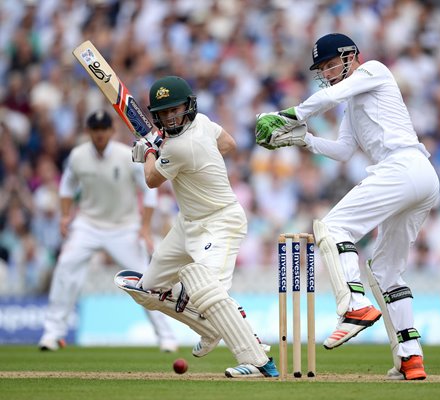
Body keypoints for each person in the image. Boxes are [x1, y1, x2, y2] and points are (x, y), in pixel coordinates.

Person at [255, 33, 440, 380]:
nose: (326, 72)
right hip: (418, 178)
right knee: (385, 271)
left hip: (403, 167)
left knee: (331, 227)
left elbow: (330, 96)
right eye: (321, 69)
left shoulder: (374, 70)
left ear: (350, 56)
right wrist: (303, 139)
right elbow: (342, 150)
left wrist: (287, 116)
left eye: (330, 64)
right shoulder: (354, 104)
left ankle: (354, 305)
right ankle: (410, 357)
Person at [126, 75, 278, 378]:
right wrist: (170, 152)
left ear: (188, 106)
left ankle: (257, 359)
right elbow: (229, 144)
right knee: (149, 288)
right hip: (188, 224)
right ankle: (211, 326)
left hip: (220, 223)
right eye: (165, 112)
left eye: (176, 109)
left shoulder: (181, 147)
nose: (171, 116)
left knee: (209, 291)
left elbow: (152, 180)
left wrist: (150, 152)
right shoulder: (205, 124)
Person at [38, 110, 177, 352]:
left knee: (146, 280)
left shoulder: (127, 155)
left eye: (104, 130)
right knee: (65, 267)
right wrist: (64, 216)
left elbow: (149, 191)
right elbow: (67, 185)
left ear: (112, 131)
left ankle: (166, 337)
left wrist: (144, 228)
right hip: (88, 224)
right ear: (89, 131)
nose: (100, 134)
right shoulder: (78, 156)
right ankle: (52, 334)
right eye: (95, 130)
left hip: (124, 227)